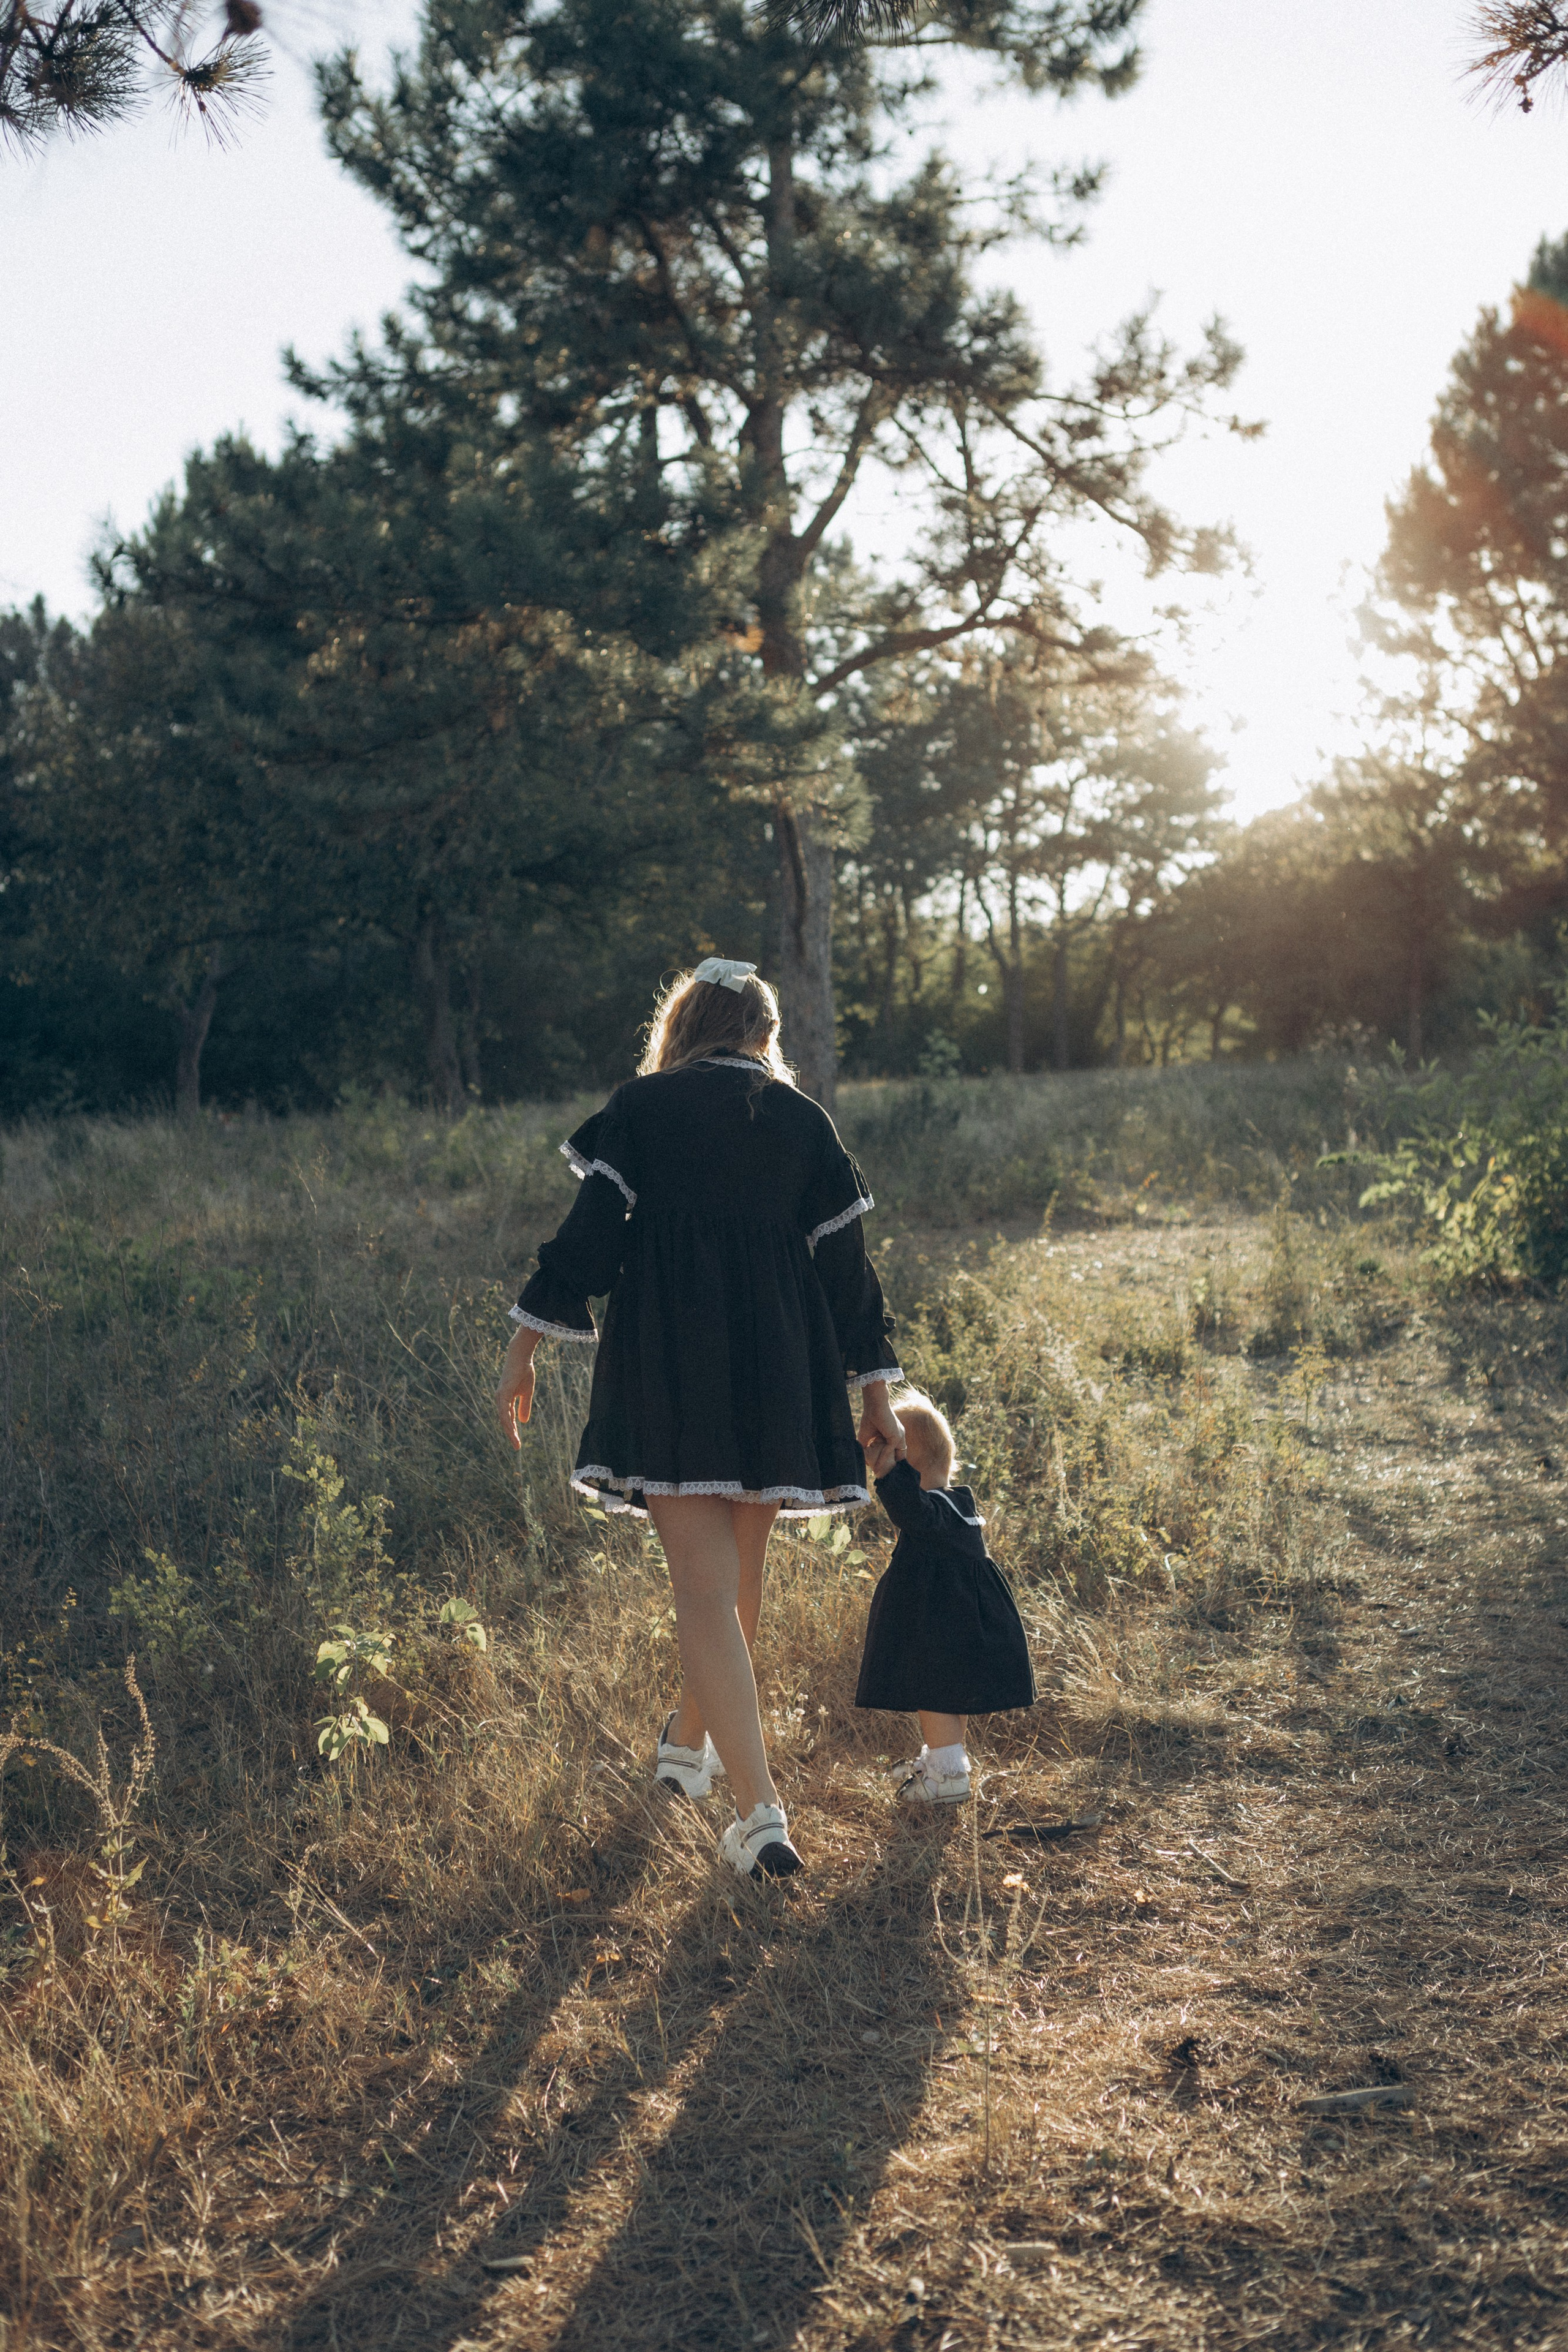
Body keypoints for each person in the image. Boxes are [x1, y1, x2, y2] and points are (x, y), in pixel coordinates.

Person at [495, 957, 905, 1879]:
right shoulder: (803, 1122)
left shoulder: (641, 1109)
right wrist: (873, 1393)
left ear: (684, 1026)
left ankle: (761, 1813)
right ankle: (687, 1747)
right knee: (736, 1582)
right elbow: (851, 1274)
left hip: (673, 1365)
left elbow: (590, 1240)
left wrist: (522, 1348)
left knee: (703, 1592)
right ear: (766, 1035)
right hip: (780, 1367)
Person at [857, 1390, 1035, 1804]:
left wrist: (888, 1477)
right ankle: (943, 1761)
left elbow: (908, 1507)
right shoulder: (955, 1504)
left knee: (933, 1691)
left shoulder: (932, 1510)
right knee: (941, 1693)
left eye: (889, 1448)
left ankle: (948, 1776)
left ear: (906, 1463)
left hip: (941, 1625)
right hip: (949, 1619)